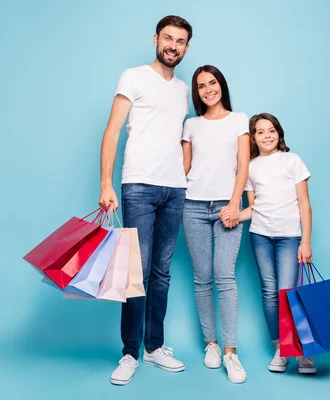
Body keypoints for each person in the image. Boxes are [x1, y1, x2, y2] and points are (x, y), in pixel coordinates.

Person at [98, 15, 193, 386]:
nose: (173, 45)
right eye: (167, 38)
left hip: (175, 189)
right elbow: (112, 130)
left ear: (186, 48)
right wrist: (106, 183)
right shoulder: (133, 76)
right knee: (135, 273)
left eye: (180, 41)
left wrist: (184, 177)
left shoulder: (183, 89)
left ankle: (154, 347)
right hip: (138, 185)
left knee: (162, 272)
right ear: (156, 39)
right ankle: (129, 352)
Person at [181, 65, 250, 383]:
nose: (208, 89)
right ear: (196, 92)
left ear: (221, 85)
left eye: (212, 83)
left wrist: (235, 204)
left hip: (227, 208)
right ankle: (211, 344)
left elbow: (243, 166)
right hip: (192, 206)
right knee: (202, 277)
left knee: (225, 277)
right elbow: (183, 167)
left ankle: (231, 352)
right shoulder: (191, 124)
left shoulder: (239, 121)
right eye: (201, 85)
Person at [239, 113, 317, 374]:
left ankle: (303, 350)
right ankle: (281, 348)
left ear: (279, 133)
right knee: (269, 293)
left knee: (287, 293)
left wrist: (305, 242)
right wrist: (233, 215)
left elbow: (305, 205)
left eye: (271, 130)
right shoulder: (249, 166)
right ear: (253, 138)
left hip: (289, 237)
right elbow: (252, 208)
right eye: (260, 132)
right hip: (260, 235)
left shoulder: (292, 161)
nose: (267, 136)